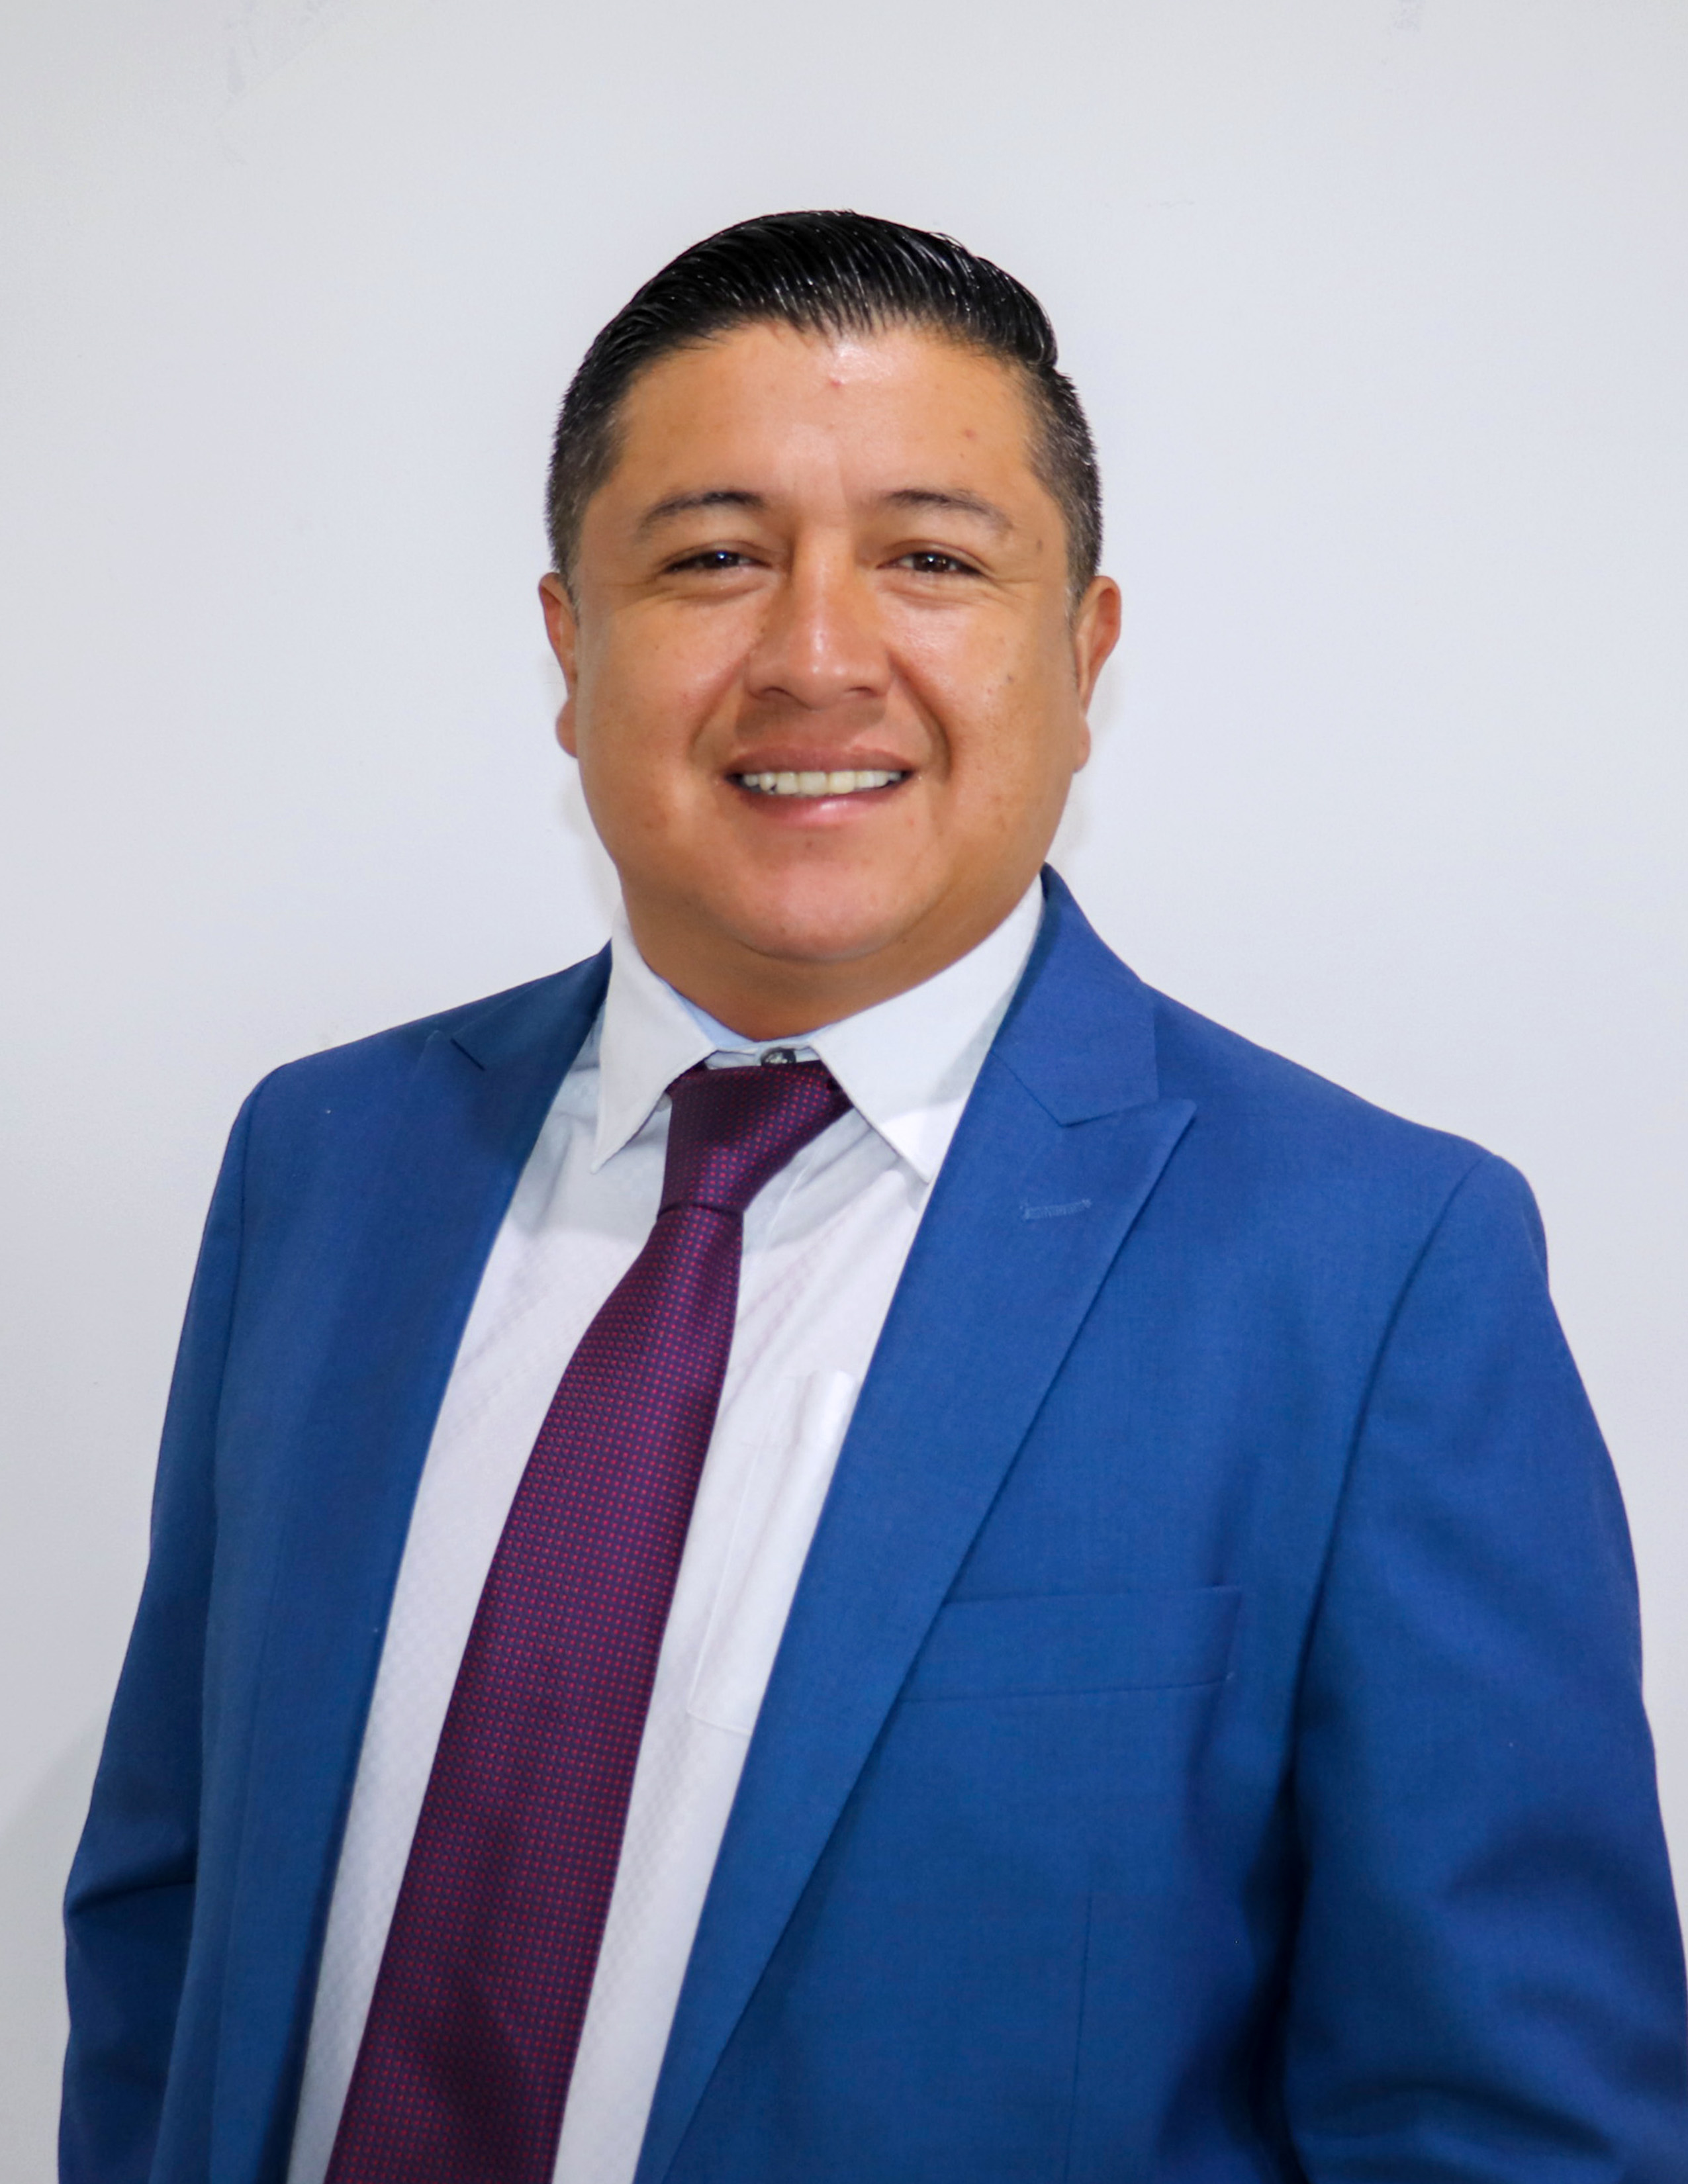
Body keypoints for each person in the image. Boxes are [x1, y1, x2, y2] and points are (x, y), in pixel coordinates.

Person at [61, 210, 1687, 2184]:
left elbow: (1506, 2127)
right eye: (712, 558)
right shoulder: (329, 1168)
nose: (817, 656)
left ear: (1083, 655)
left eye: (931, 559)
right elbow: (169, 1922)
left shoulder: (1373, 1275)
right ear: (571, 647)